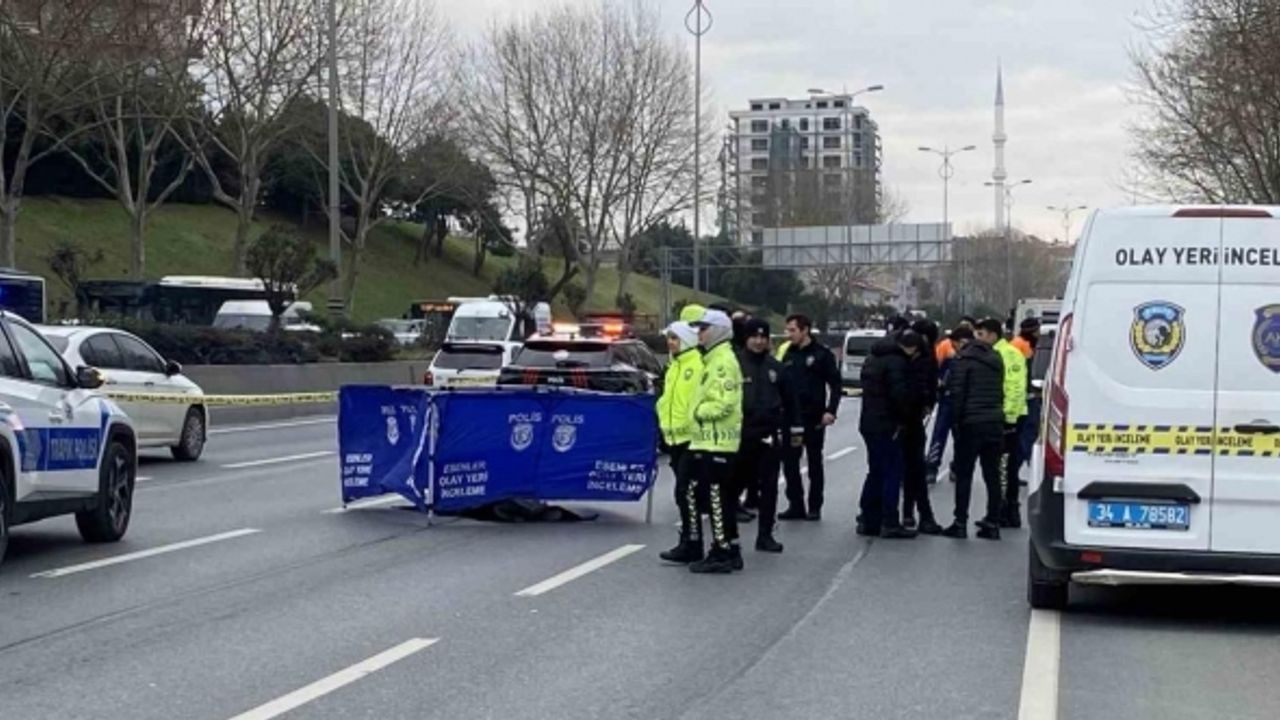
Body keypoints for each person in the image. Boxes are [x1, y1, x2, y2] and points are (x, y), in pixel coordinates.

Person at [686, 309, 745, 573]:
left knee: (717, 498)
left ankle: (722, 551)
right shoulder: (712, 359)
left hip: (717, 441)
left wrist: (697, 413)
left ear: (718, 331)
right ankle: (730, 547)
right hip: (708, 440)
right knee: (719, 497)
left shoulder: (722, 362)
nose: (699, 333)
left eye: (703, 328)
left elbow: (724, 403)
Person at [943, 319, 1006, 541]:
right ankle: (993, 522)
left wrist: (956, 424)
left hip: (970, 423)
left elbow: (958, 395)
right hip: (994, 421)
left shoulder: (963, 360)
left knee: (964, 475)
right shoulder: (997, 358)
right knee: (993, 475)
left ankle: (960, 522)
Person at [856, 329, 921, 539]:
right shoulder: (897, 362)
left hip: (869, 421)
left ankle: (868, 518)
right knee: (892, 471)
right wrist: (907, 417)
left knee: (875, 471)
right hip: (888, 423)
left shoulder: (873, 358)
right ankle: (890, 521)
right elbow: (899, 395)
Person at [778, 314, 842, 521]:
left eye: (793, 330)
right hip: (792, 418)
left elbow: (835, 384)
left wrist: (830, 410)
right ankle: (795, 504)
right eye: (787, 330)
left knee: (814, 462)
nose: (789, 334)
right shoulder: (788, 354)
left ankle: (814, 505)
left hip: (813, 418)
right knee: (790, 462)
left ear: (805, 330)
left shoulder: (821, 355)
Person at [737, 318, 792, 552]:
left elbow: (791, 402)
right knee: (732, 487)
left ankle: (766, 534)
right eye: (754, 337)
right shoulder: (734, 364)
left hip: (769, 435)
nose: (759, 342)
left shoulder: (776, 367)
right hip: (740, 435)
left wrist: (794, 431)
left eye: (763, 337)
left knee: (769, 487)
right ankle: (728, 538)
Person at [657, 321, 706, 564]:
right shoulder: (674, 366)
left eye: (675, 338)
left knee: (686, 493)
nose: (670, 343)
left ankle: (693, 543)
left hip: (692, 440)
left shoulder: (696, 365)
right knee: (683, 494)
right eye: (669, 338)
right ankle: (688, 539)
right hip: (674, 439)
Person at [902, 319, 943, 533]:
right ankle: (919, 515)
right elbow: (928, 384)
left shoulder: (907, 351)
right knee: (914, 468)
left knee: (902, 469)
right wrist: (927, 403)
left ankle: (904, 514)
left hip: (900, 418)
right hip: (910, 418)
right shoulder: (924, 356)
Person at [926, 316, 976, 483]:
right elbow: (934, 367)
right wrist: (937, 384)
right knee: (939, 434)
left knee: (961, 437)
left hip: (965, 401)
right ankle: (932, 467)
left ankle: (957, 467)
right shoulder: (945, 347)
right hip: (947, 399)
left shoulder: (975, 353)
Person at [993, 319, 1030, 529]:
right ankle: (1005, 510)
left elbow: (1015, 387)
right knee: (1004, 466)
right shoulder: (1002, 352)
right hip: (1009, 415)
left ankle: (1007, 511)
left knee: (1006, 466)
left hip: (1012, 417)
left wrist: (1009, 418)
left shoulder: (1009, 353)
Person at [1011, 318, 1041, 478]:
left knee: (1029, 432)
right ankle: (1019, 466)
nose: (1038, 333)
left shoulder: (1024, 343)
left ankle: (1015, 469)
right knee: (1027, 432)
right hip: (1024, 397)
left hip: (1029, 396)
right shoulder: (1019, 345)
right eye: (1036, 331)